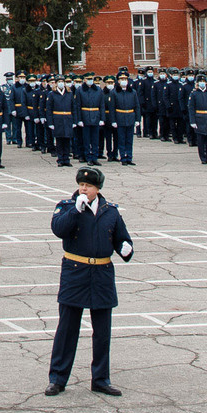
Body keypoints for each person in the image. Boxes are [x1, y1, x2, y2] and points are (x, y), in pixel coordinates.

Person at [46, 165, 132, 397]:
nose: (84, 189)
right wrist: (75, 210)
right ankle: (58, 378)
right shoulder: (66, 207)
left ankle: (101, 379)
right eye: (81, 185)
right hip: (75, 271)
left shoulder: (110, 211)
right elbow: (58, 229)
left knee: (102, 331)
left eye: (89, 186)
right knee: (67, 329)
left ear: (98, 189)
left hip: (102, 274)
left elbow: (122, 239)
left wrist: (126, 249)